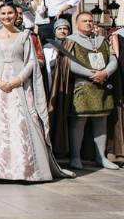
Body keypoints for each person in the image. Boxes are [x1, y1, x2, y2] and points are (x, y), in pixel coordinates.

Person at [0, 2, 72, 181]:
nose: (7, 16)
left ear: (16, 15)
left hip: (20, 88)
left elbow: (31, 61)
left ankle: (27, 169)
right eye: (3, 13)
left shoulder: (24, 36)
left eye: (10, 13)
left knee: (23, 122)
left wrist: (17, 80)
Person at [49, 12, 120, 170]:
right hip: (82, 87)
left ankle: (101, 157)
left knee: (101, 121)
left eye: (90, 20)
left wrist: (105, 73)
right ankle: (75, 157)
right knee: (78, 122)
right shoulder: (70, 41)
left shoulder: (101, 40)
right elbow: (69, 64)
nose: (88, 23)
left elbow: (113, 59)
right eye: (84, 21)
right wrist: (93, 74)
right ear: (77, 23)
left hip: (102, 87)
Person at [43, 18, 70, 89]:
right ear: (55, 31)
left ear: (69, 31)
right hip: (52, 83)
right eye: (59, 28)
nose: (62, 31)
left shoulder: (72, 46)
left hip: (68, 82)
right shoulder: (46, 48)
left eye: (65, 28)